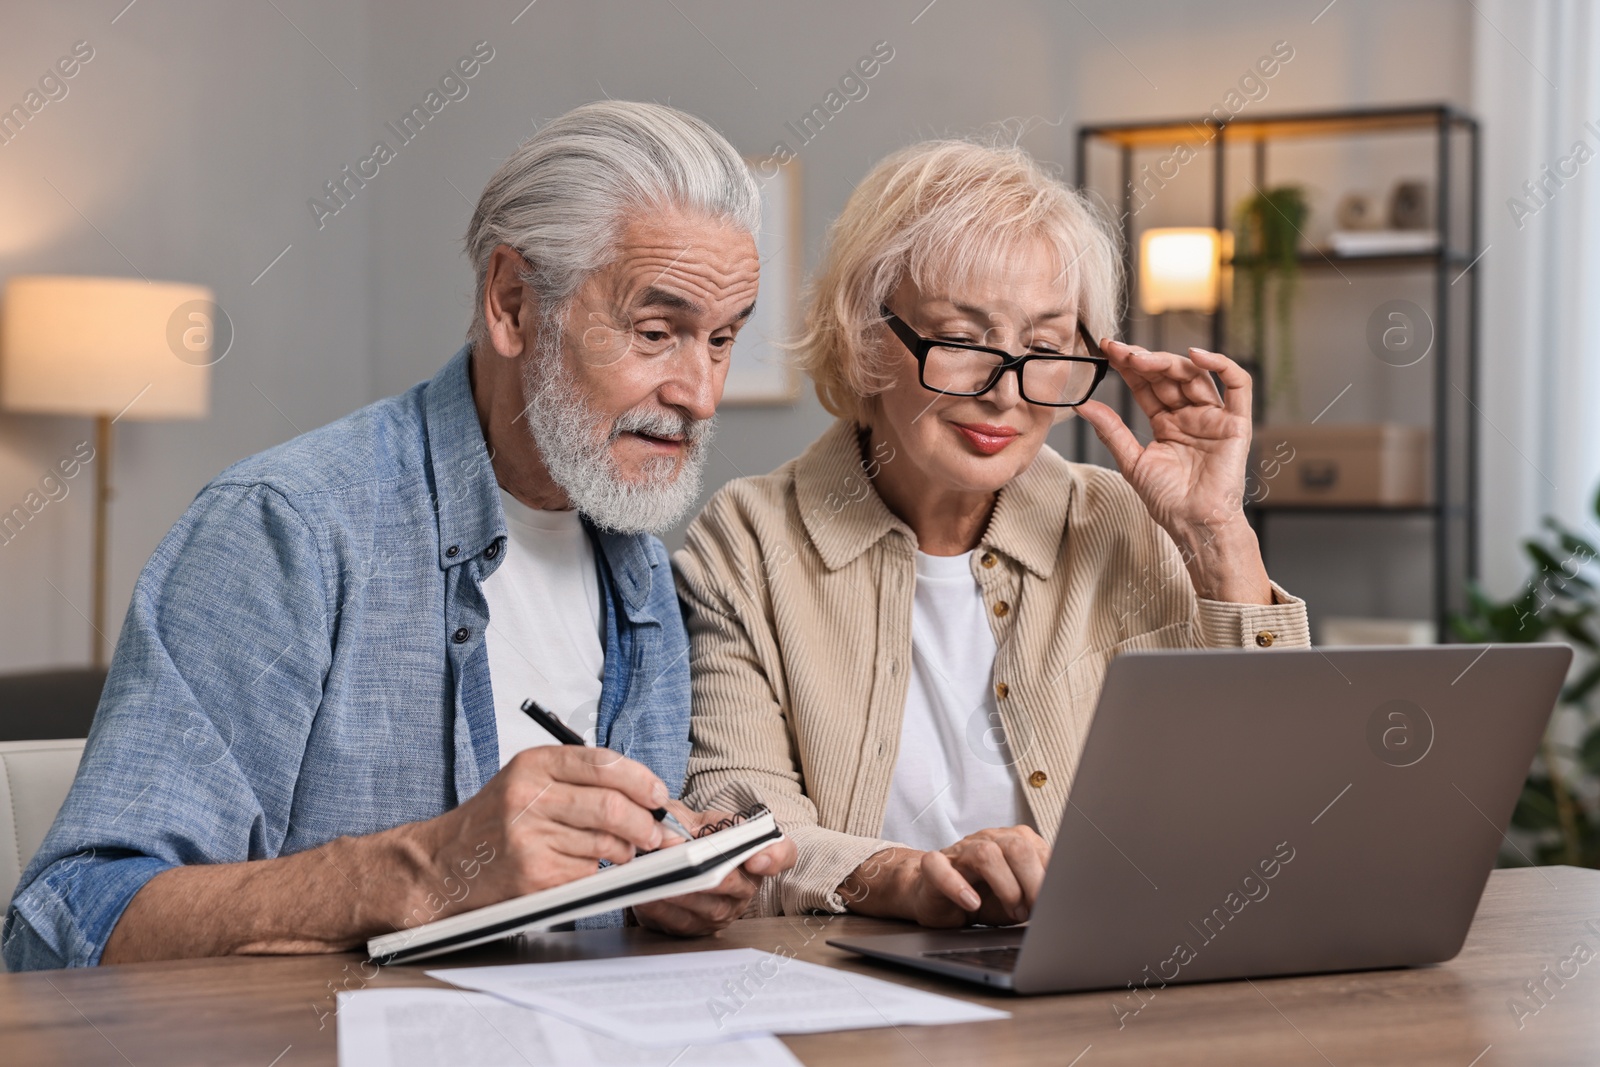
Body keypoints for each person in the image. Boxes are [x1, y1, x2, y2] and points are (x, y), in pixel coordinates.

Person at [3, 101, 795, 971]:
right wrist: (424, 870)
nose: (701, 393)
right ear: (513, 303)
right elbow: (65, 924)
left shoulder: (641, 567)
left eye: (721, 340)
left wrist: (662, 884)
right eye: (656, 333)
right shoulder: (285, 529)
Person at [674, 139, 1310, 929]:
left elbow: (1276, 809)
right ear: (868, 339)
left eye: (1045, 349)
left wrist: (1219, 536)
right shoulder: (747, 542)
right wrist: (904, 877)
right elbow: (739, 832)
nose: (1005, 393)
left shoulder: (1124, 521)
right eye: (964, 340)